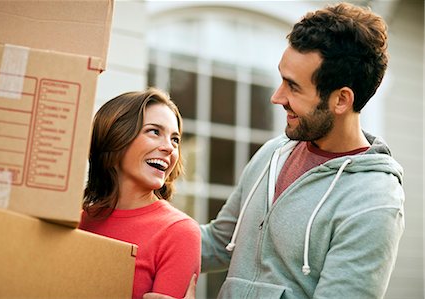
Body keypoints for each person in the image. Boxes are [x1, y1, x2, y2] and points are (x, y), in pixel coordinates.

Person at [144, 2, 405, 299]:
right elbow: (218, 242)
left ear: (342, 100)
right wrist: (129, 229)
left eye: (293, 87)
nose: (276, 97)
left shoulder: (373, 201)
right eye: (281, 79)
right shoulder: (274, 154)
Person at [79, 87, 201, 299]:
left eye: (175, 139)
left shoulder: (178, 232)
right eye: (154, 132)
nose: (169, 148)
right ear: (116, 137)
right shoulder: (78, 220)